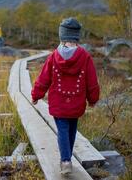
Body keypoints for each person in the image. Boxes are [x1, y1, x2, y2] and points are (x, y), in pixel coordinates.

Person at [31, 18, 100, 175]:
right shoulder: (85, 56)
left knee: (62, 130)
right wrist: (93, 99)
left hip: (58, 103)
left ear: (62, 37)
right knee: (72, 129)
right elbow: (92, 81)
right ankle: (67, 158)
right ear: (77, 37)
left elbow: (43, 79)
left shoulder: (54, 57)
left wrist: (36, 95)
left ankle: (66, 161)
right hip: (76, 103)